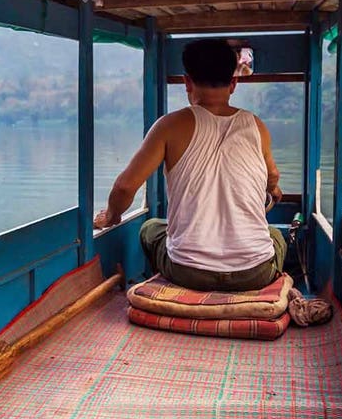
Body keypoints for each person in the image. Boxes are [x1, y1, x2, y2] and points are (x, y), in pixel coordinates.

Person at [93, 38, 286, 292]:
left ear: (187, 82)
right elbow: (273, 175)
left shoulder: (169, 126)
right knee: (277, 237)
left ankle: (167, 286)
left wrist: (112, 215)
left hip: (187, 272)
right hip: (254, 273)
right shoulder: (256, 126)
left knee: (150, 228)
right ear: (233, 83)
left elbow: (125, 187)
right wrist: (273, 190)